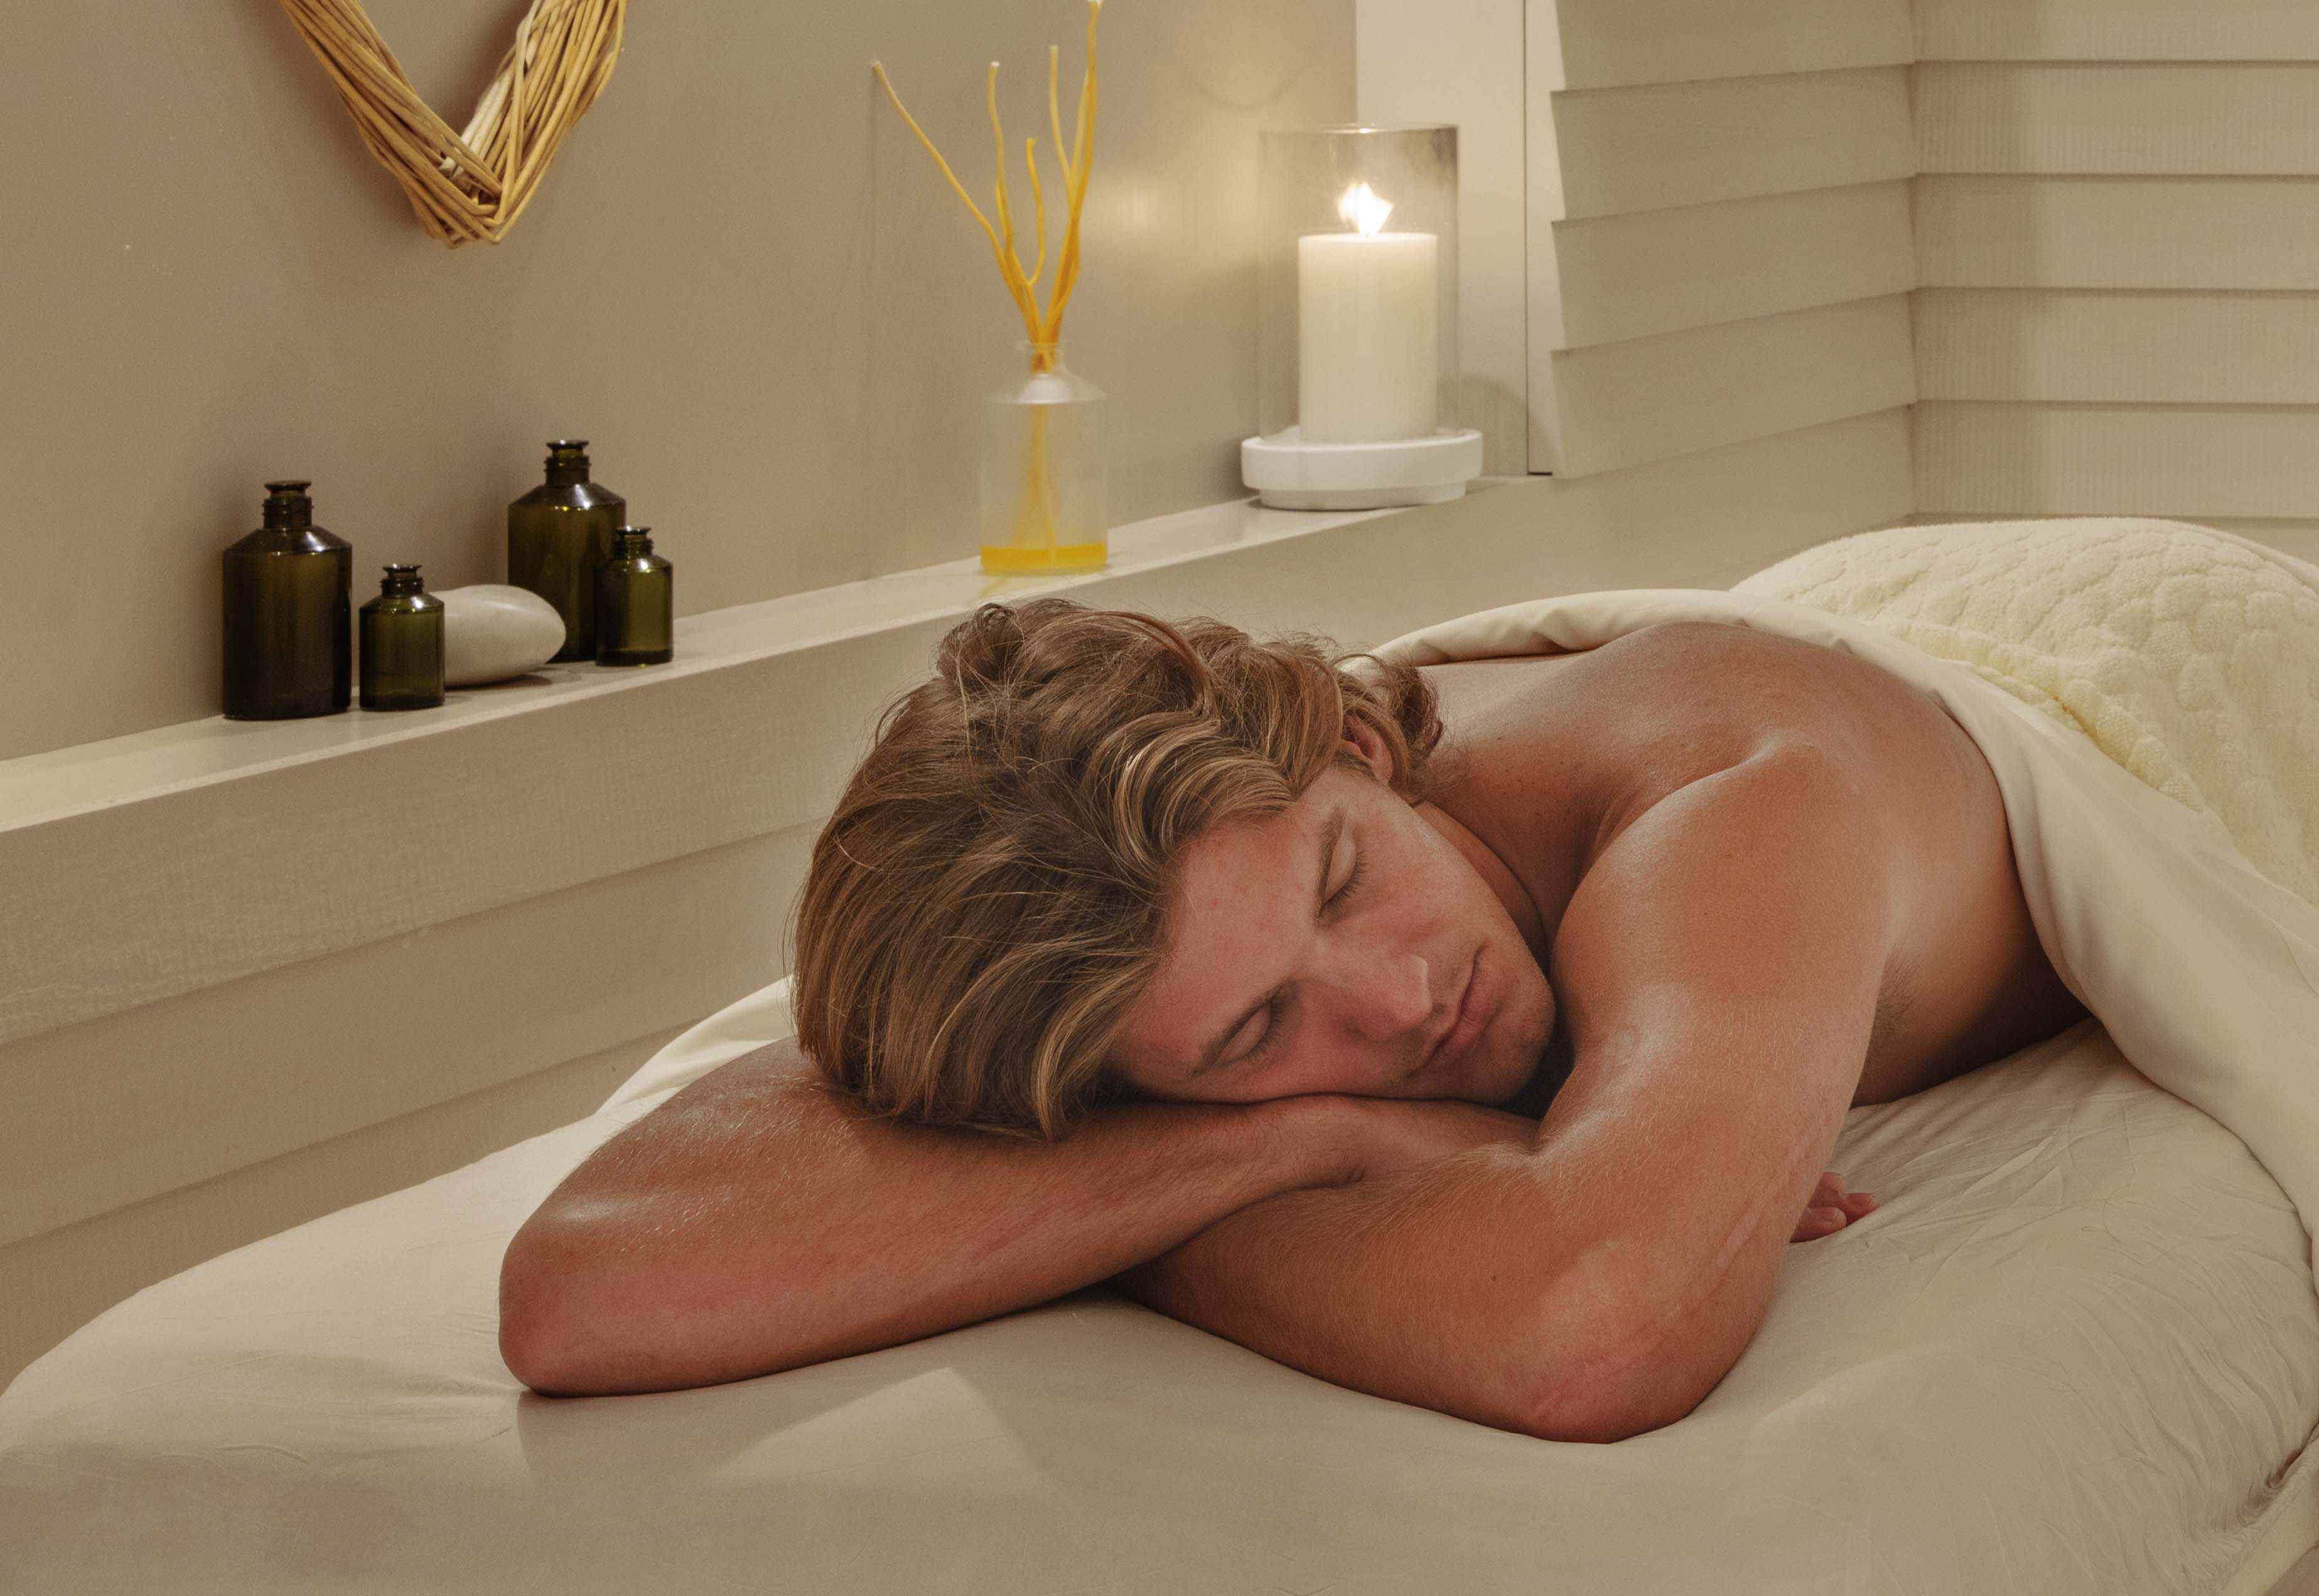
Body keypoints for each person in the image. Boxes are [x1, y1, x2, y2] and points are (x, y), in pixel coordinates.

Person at [495, 598, 2082, 1440]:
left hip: (2139, 674)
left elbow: (1598, 1328)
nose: (1404, 1000)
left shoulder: (1730, 792)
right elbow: (581, 1289)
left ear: (1359, 748)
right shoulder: (1143, 952)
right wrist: (1316, 1145)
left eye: (1341, 879)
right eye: (1260, 1035)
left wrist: (1121, 1207)